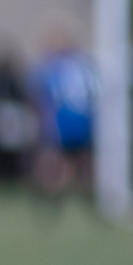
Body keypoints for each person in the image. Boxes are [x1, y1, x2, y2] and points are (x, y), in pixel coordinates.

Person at [26, 26, 96, 205]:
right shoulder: (46, 68)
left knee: (81, 166)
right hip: (56, 126)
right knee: (53, 164)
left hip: (78, 124)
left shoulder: (80, 65)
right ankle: (52, 200)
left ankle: (85, 200)